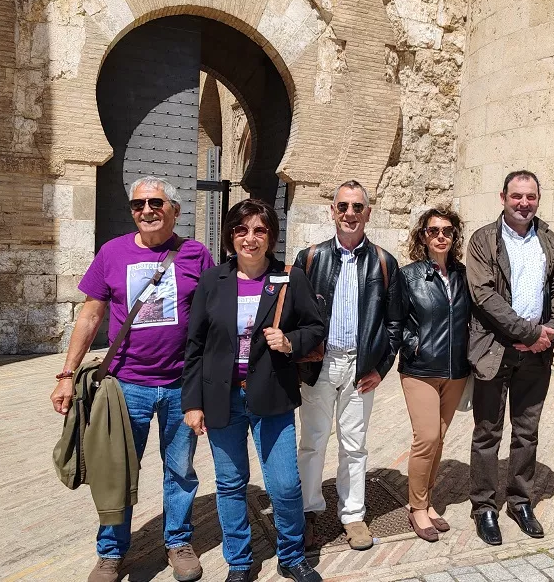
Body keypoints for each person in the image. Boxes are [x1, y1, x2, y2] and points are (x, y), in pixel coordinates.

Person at [49, 176, 214, 582]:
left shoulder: (196, 254)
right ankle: (110, 551)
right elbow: (91, 314)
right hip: (125, 385)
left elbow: (214, 316)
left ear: (175, 210)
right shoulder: (112, 252)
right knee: (116, 470)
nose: (146, 211)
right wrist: (67, 374)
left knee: (180, 470)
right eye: (138, 204)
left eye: (156, 203)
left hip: (181, 384)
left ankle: (178, 542)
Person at [182, 199, 325, 582]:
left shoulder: (290, 278)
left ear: (271, 236)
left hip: (272, 393)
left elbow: (315, 327)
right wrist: (192, 402)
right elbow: (195, 346)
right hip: (221, 396)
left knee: (285, 484)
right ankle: (240, 562)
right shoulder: (212, 280)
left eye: (260, 230)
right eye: (241, 230)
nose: (250, 238)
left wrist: (290, 341)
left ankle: (291, 555)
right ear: (230, 236)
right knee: (230, 484)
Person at [465, 170, 554, 546]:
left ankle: (520, 501)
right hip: (494, 350)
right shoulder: (484, 240)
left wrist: (551, 330)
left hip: (536, 356)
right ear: (503, 198)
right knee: (487, 433)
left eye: (530, 197)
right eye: (516, 196)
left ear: (538, 199)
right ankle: (484, 507)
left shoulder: (548, 238)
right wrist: (530, 333)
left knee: (527, 432)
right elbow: (484, 295)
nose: (523, 203)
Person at [294, 180, 402, 551]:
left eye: (357, 207)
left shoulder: (384, 262)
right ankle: (308, 510)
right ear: (333, 211)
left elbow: (394, 324)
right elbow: (294, 315)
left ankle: (353, 515)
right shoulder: (310, 258)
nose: (350, 214)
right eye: (343, 206)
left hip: (360, 367)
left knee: (354, 445)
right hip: (320, 364)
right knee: (312, 441)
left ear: (368, 213)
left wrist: (381, 368)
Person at [399, 207, 471, 542]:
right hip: (421, 369)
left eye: (447, 230)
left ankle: (427, 502)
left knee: (439, 439)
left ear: (454, 235)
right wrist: (414, 345)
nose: (440, 236)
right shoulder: (409, 276)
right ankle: (416, 507)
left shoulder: (463, 275)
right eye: (433, 230)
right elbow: (394, 321)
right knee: (426, 437)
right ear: (423, 236)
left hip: (455, 370)